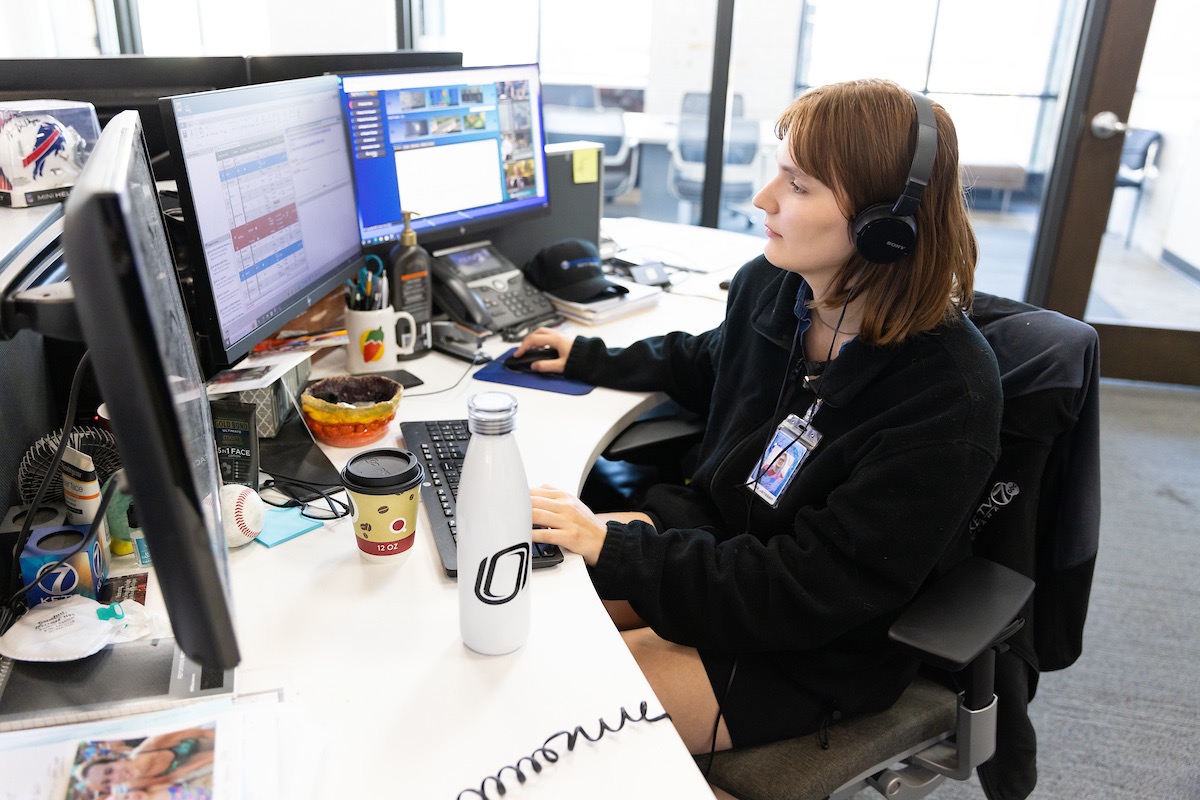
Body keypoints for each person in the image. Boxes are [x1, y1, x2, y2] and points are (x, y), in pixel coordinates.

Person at [513, 78, 1003, 757]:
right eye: (779, 171)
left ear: (884, 227)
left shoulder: (946, 394)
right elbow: (710, 362)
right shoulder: (776, 286)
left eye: (798, 187)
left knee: (546, 702)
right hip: (710, 540)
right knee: (512, 603)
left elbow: (806, 590)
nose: (763, 200)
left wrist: (613, 546)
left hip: (805, 644)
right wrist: (591, 358)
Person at [76, 726, 216, 796]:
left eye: (109, 771)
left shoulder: (151, 746)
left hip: (206, 740)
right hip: (198, 767)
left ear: (115, 759)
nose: (116, 777)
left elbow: (200, 732)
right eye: (107, 783)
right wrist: (214, 757)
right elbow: (177, 775)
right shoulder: (136, 784)